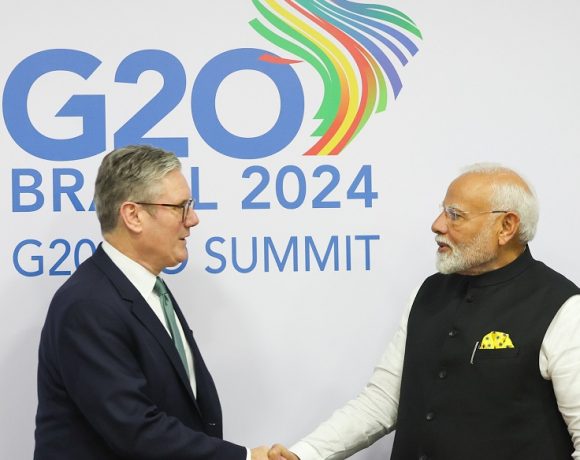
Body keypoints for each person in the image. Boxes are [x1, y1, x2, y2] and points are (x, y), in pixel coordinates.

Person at [268, 164, 580, 460]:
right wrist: (305, 453)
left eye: (455, 215)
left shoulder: (564, 307)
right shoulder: (428, 292)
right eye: (443, 211)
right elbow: (383, 402)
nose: (437, 225)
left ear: (506, 226)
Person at [34, 145, 268, 460]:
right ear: (133, 215)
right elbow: (135, 430)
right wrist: (246, 458)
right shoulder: (88, 305)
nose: (193, 219)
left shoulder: (149, 289)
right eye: (180, 207)